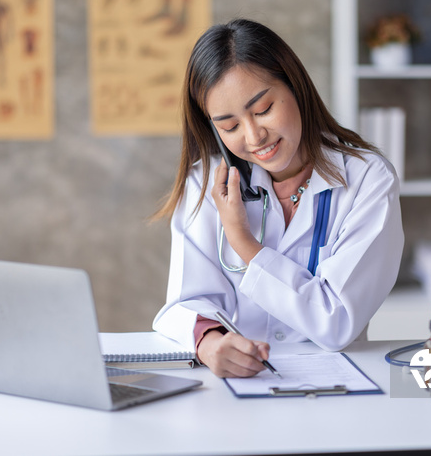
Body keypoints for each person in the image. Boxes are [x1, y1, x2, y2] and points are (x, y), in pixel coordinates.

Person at [152, 19, 404, 378]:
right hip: (242, 388)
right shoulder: (207, 183)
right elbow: (185, 303)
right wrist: (210, 343)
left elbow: (336, 321)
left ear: (295, 87)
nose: (254, 136)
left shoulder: (367, 179)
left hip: (340, 388)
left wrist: (243, 241)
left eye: (263, 109)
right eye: (230, 126)